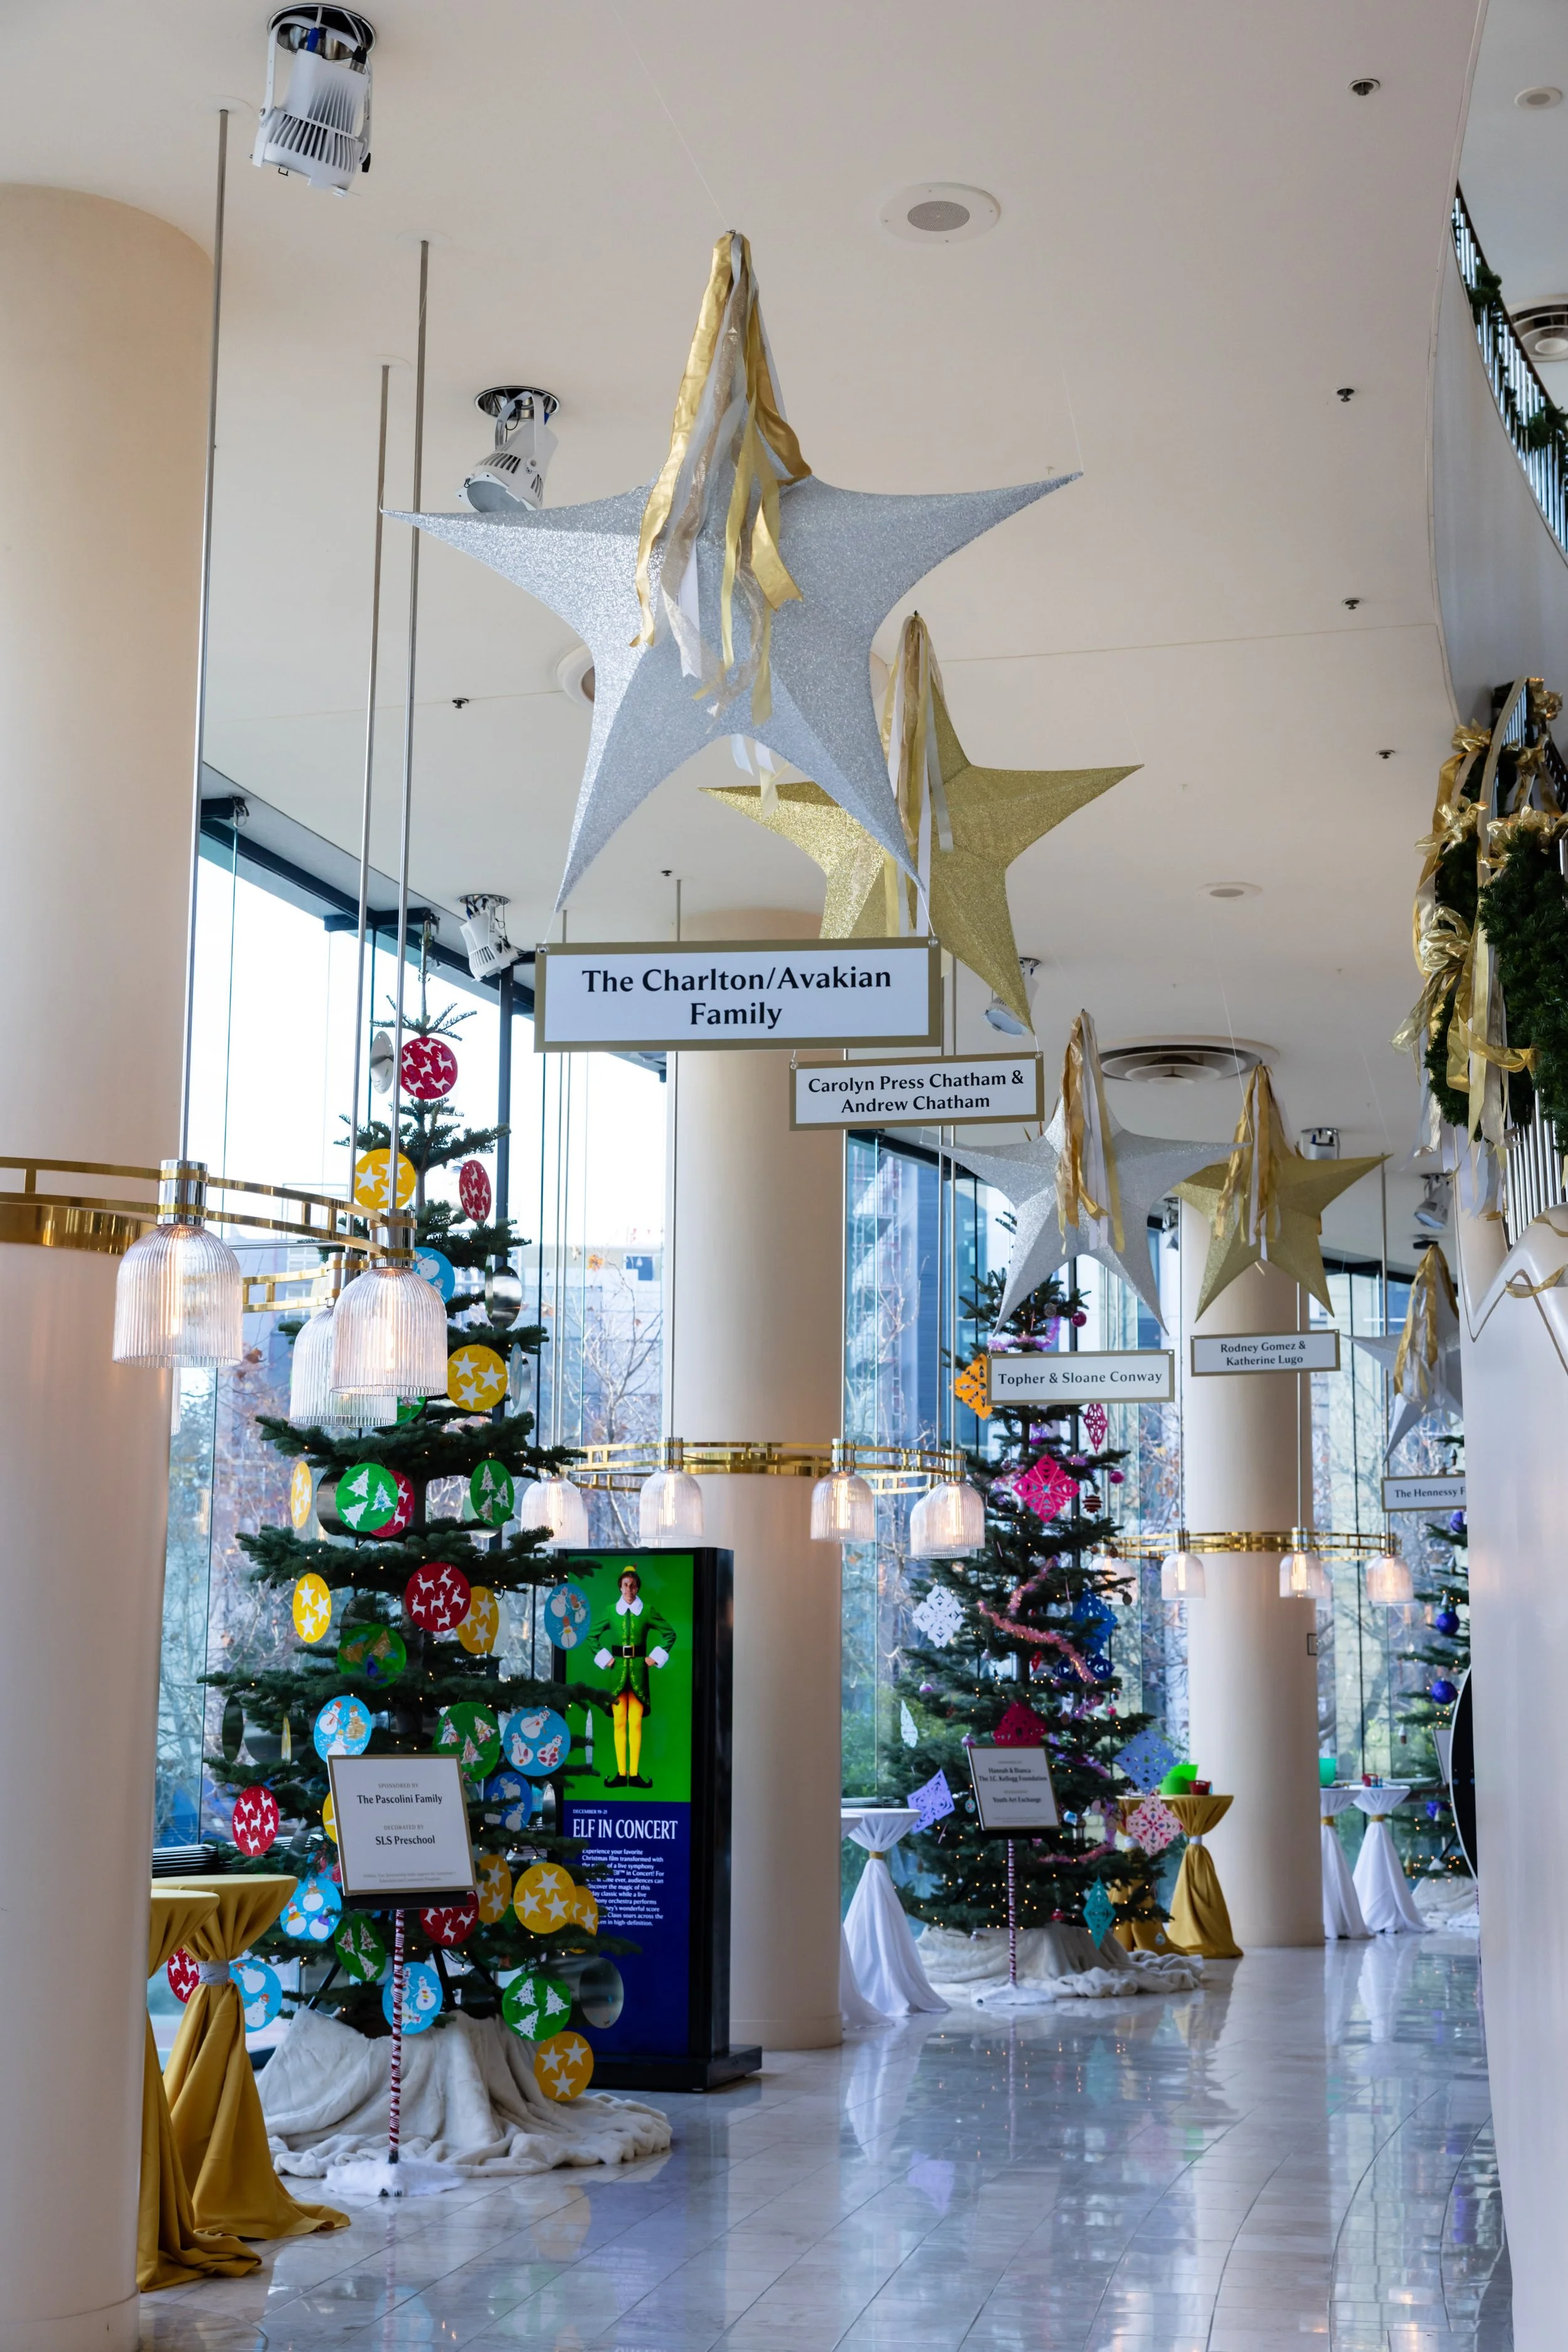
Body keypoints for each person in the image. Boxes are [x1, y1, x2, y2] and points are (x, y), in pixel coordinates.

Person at [591, 1567, 675, 1788]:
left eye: (633, 1585)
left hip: (638, 1672)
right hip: (617, 1673)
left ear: (637, 1588)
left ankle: (635, 1774)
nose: (629, 1589)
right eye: (626, 1584)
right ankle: (621, 1773)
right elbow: (593, 1636)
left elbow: (669, 1634)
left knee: (635, 1723)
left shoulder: (647, 1611)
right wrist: (606, 1658)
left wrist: (655, 1657)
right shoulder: (611, 1611)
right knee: (619, 1723)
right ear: (620, 1586)